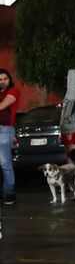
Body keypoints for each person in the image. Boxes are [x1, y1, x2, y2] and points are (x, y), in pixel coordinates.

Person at [0, 69, 20, 206]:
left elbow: (2, 106)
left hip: (5, 129)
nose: (2, 82)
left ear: (9, 79)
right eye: (0, 79)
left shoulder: (13, 91)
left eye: (5, 79)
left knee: (5, 162)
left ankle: (9, 193)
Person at [60, 69, 75, 162]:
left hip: (72, 128)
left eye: (69, 76)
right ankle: (70, 176)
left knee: (73, 155)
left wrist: (68, 120)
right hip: (65, 128)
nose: (67, 78)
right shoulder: (68, 92)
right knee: (68, 156)